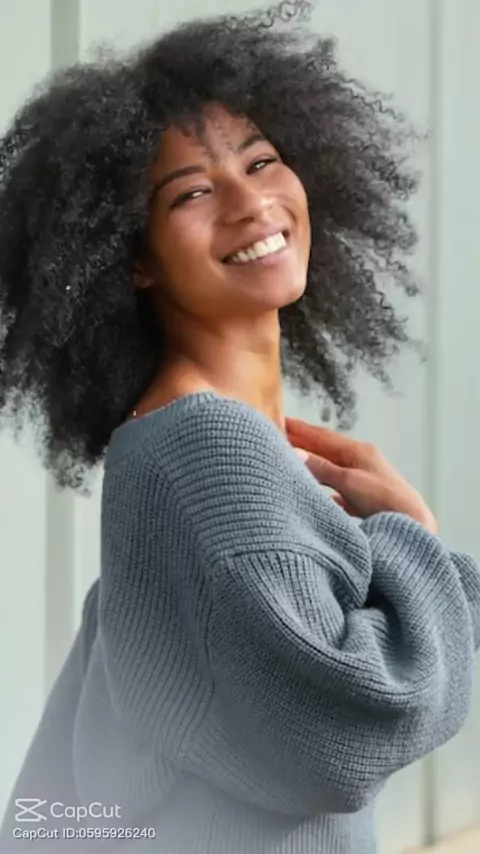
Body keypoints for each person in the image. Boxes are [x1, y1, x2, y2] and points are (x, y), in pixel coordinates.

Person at [0, 2, 479, 852]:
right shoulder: (204, 458)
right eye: (191, 192)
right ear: (131, 256)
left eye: (261, 160)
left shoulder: (181, 445)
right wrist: (412, 541)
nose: (251, 200)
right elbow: (344, 732)